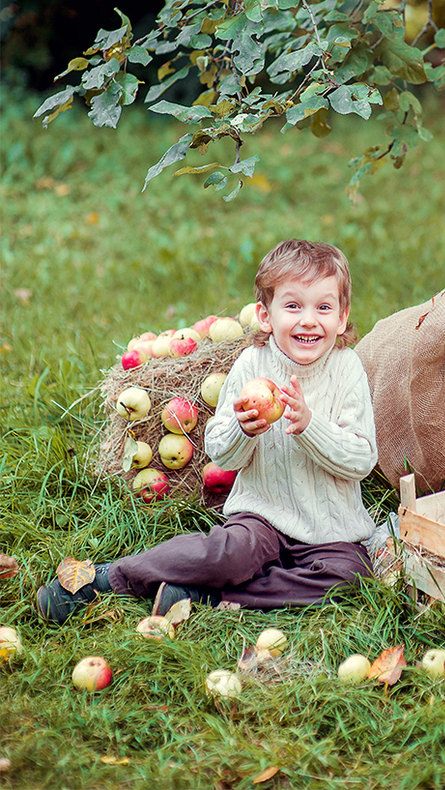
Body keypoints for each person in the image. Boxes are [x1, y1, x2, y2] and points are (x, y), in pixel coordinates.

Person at [37, 239, 379, 623]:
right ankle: (106, 579)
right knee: (226, 554)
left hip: (331, 532)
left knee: (351, 578)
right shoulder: (253, 364)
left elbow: (362, 460)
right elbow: (220, 451)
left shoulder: (348, 370)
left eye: (324, 307)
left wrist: (309, 426)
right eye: (293, 306)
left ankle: (206, 597)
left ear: (343, 317)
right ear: (265, 316)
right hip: (263, 516)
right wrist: (242, 430)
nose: (309, 319)